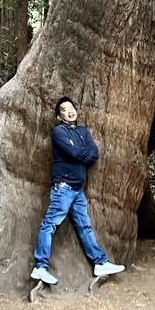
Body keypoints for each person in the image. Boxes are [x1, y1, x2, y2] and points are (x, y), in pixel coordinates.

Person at [29, 96, 125, 285]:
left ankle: (100, 263)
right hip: (63, 187)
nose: (70, 110)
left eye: (71, 107)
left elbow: (94, 153)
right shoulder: (59, 132)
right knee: (50, 224)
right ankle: (40, 267)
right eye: (64, 109)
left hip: (76, 190)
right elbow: (76, 153)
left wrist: (81, 151)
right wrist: (82, 152)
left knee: (84, 226)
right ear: (59, 116)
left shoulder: (83, 131)